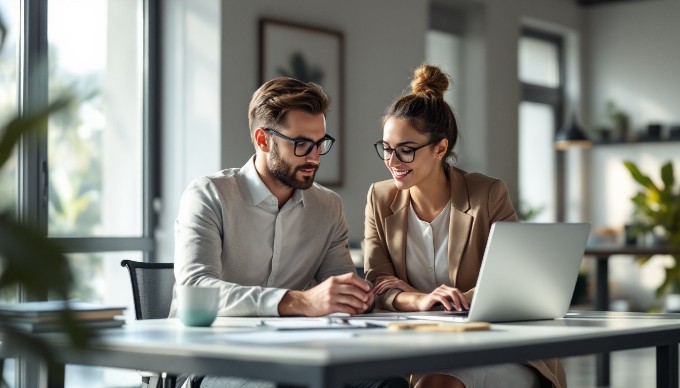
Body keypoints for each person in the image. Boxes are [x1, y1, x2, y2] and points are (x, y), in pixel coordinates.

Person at [169, 77, 407, 388]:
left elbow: (340, 288)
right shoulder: (209, 195)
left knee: (388, 383)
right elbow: (196, 289)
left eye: (321, 143)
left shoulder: (327, 206)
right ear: (263, 139)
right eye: (301, 144)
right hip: (212, 360)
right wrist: (299, 302)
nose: (315, 157)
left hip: (298, 356)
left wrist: (366, 295)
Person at [363, 64, 566, 388]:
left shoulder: (487, 194)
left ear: (440, 148)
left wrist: (456, 300)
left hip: (493, 346)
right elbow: (378, 282)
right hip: (416, 349)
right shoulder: (380, 197)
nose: (393, 161)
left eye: (406, 150)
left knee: (437, 383)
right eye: (386, 148)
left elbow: (511, 282)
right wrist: (422, 300)